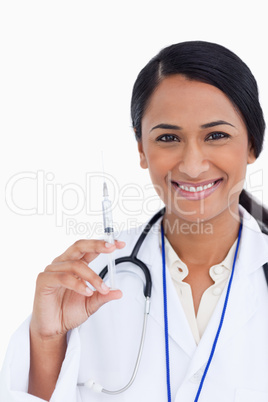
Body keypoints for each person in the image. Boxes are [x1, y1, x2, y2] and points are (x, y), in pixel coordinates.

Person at [1, 41, 268, 402]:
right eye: (168, 138)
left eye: (216, 135)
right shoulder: (90, 280)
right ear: (142, 149)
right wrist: (48, 339)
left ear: (252, 143)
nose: (192, 165)